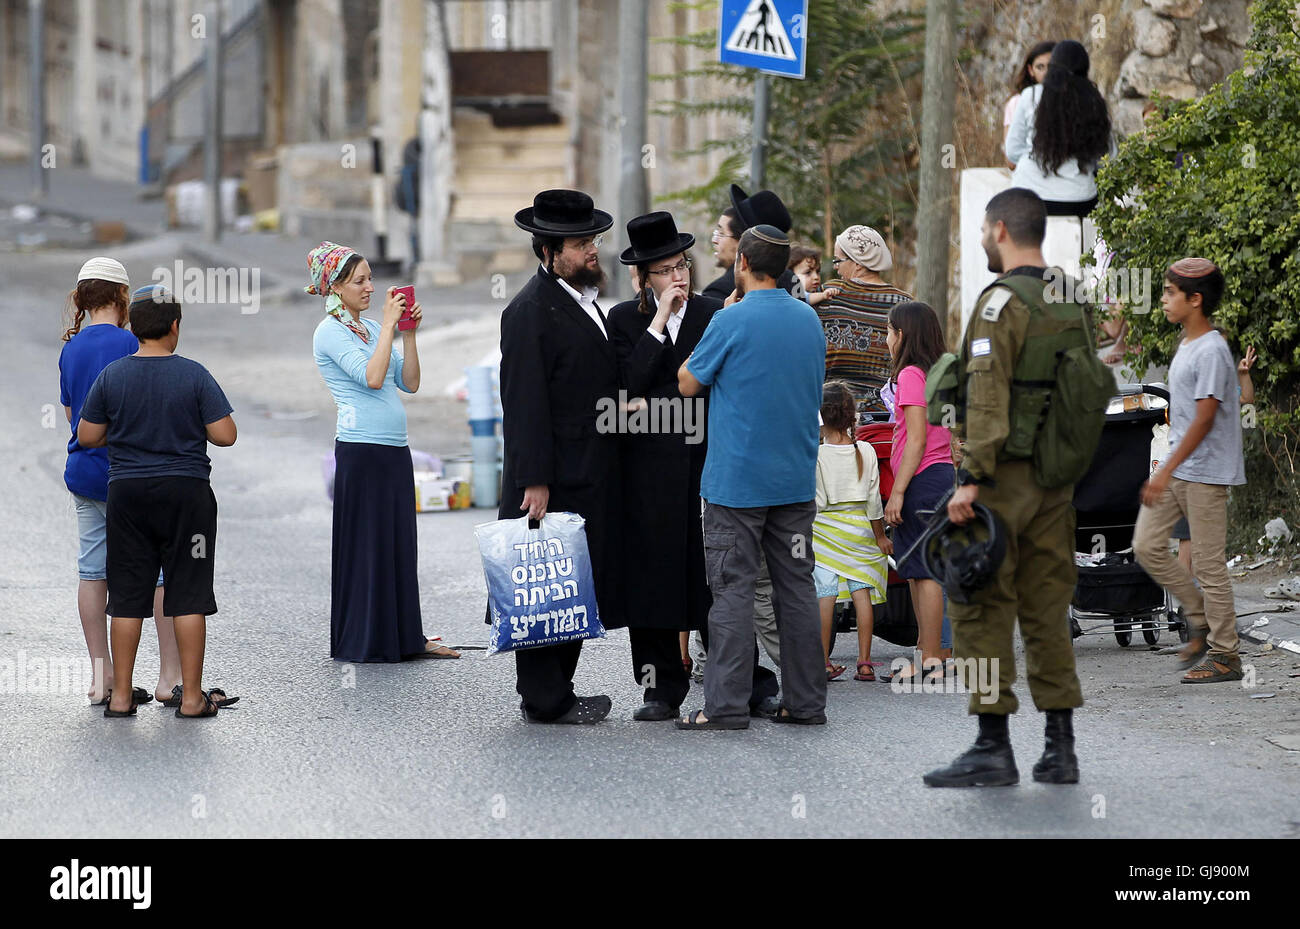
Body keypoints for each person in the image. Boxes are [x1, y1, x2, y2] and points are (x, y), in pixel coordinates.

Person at [923, 188, 1086, 787]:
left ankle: (992, 745)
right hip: (1056, 485)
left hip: (1002, 483)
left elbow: (986, 399)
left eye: (983, 233)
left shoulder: (998, 305)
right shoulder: (1069, 299)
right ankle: (1060, 749)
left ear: (998, 230)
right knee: (1047, 609)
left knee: (982, 607)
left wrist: (970, 480)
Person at [675, 224, 828, 730]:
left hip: (736, 483)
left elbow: (688, 383)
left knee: (733, 591)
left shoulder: (731, 320)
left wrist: (719, 320)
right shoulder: (808, 320)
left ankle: (725, 706)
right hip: (794, 480)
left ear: (741, 262)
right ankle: (805, 702)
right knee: (796, 589)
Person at [77, 285, 238, 719]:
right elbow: (225, 434)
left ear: (134, 327)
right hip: (188, 499)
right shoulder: (194, 374)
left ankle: (124, 697)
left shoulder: (113, 375)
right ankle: (190, 699)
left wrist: (126, 430)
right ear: (174, 327)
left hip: (128, 497)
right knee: (187, 592)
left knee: (127, 597)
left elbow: (88, 435)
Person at [497, 189, 622, 724]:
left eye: (593, 239)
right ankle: (545, 698)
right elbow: (524, 403)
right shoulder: (529, 311)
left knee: (566, 584)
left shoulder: (580, 299)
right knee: (542, 582)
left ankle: (554, 692)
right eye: (580, 244)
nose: (592, 251)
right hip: (551, 477)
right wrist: (535, 480)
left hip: (585, 470)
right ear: (549, 251)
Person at [309, 241, 459, 663]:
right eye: (359, 281)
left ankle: (405, 636)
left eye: (371, 278)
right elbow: (372, 378)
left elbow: (408, 383)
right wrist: (390, 328)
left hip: (394, 450)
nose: (370, 287)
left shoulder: (373, 330)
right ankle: (365, 639)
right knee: (367, 546)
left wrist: (408, 335)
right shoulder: (330, 332)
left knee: (398, 545)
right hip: (361, 451)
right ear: (336, 287)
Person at [607, 211, 722, 720]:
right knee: (652, 575)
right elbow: (623, 393)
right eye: (665, 270)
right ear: (642, 277)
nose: (679, 277)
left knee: (713, 574)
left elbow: (713, 393)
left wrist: (652, 407)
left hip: (704, 464)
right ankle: (660, 687)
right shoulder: (624, 321)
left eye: (682, 266)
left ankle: (742, 676)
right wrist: (657, 324)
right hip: (647, 475)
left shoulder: (713, 314)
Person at [59, 258, 179, 706]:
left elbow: (75, 418)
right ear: (123, 297)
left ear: (83, 299)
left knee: (92, 571)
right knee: (161, 572)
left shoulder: (70, 350)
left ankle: (101, 676)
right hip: (133, 475)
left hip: (85, 474)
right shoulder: (133, 343)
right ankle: (169, 676)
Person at [1134, 259, 1246, 684]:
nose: (1163, 299)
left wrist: (1165, 471)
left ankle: (1226, 655)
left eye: (1169, 293)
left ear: (1194, 300)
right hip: (1181, 468)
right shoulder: (1187, 343)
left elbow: (1203, 419)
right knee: (1146, 545)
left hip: (1207, 472)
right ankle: (1197, 618)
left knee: (1210, 564)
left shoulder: (1213, 349)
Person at [881, 301, 955, 684]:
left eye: (890, 332)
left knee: (922, 572)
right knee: (926, 569)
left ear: (904, 334)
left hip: (921, 479)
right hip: (943, 476)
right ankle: (937, 652)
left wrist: (898, 492)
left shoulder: (911, 374)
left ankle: (929, 660)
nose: (887, 340)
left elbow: (916, 439)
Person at [813, 381, 892, 682]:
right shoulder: (867, 451)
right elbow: (874, 503)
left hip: (824, 534)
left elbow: (817, 502)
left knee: (826, 596)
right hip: (861, 531)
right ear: (852, 416)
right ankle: (865, 662)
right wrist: (881, 537)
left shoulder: (817, 455)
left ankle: (823, 662)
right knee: (862, 595)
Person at [1004, 40, 1112, 217]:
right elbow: (1107, 158)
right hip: (1080, 200)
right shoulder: (1095, 102)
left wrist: (1035, 157)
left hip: (1030, 196)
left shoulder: (1031, 96)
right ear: (1085, 68)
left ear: (1052, 66)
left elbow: (1013, 151)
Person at [819, 224, 913, 420]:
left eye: (838, 260)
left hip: (832, 416)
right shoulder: (905, 304)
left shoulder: (828, 296)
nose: (836, 267)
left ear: (858, 263)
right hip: (887, 419)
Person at [701, 185, 805, 303]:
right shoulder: (792, 280)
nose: (715, 240)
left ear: (743, 242)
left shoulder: (719, 292)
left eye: (721, 233)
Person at [1002, 41, 1056, 168]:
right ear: (1030, 70)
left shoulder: (1073, 100)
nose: (1046, 73)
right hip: (1028, 176)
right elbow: (1010, 160)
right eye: (1040, 67)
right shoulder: (1017, 102)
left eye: (1051, 66)